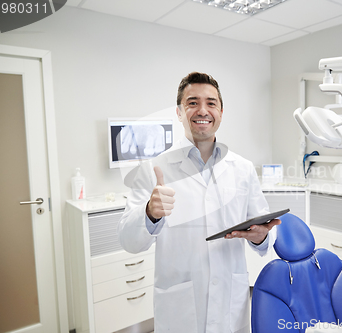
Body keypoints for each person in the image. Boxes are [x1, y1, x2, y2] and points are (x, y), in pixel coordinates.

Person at [118, 72, 281, 333]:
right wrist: (150, 212)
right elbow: (128, 240)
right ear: (179, 112)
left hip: (231, 302)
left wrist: (261, 237)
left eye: (211, 103)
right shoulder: (152, 168)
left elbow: (264, 233)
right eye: (192, 102)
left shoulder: (243, 168)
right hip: (180, 310)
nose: (202, 110)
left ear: (221, 111)